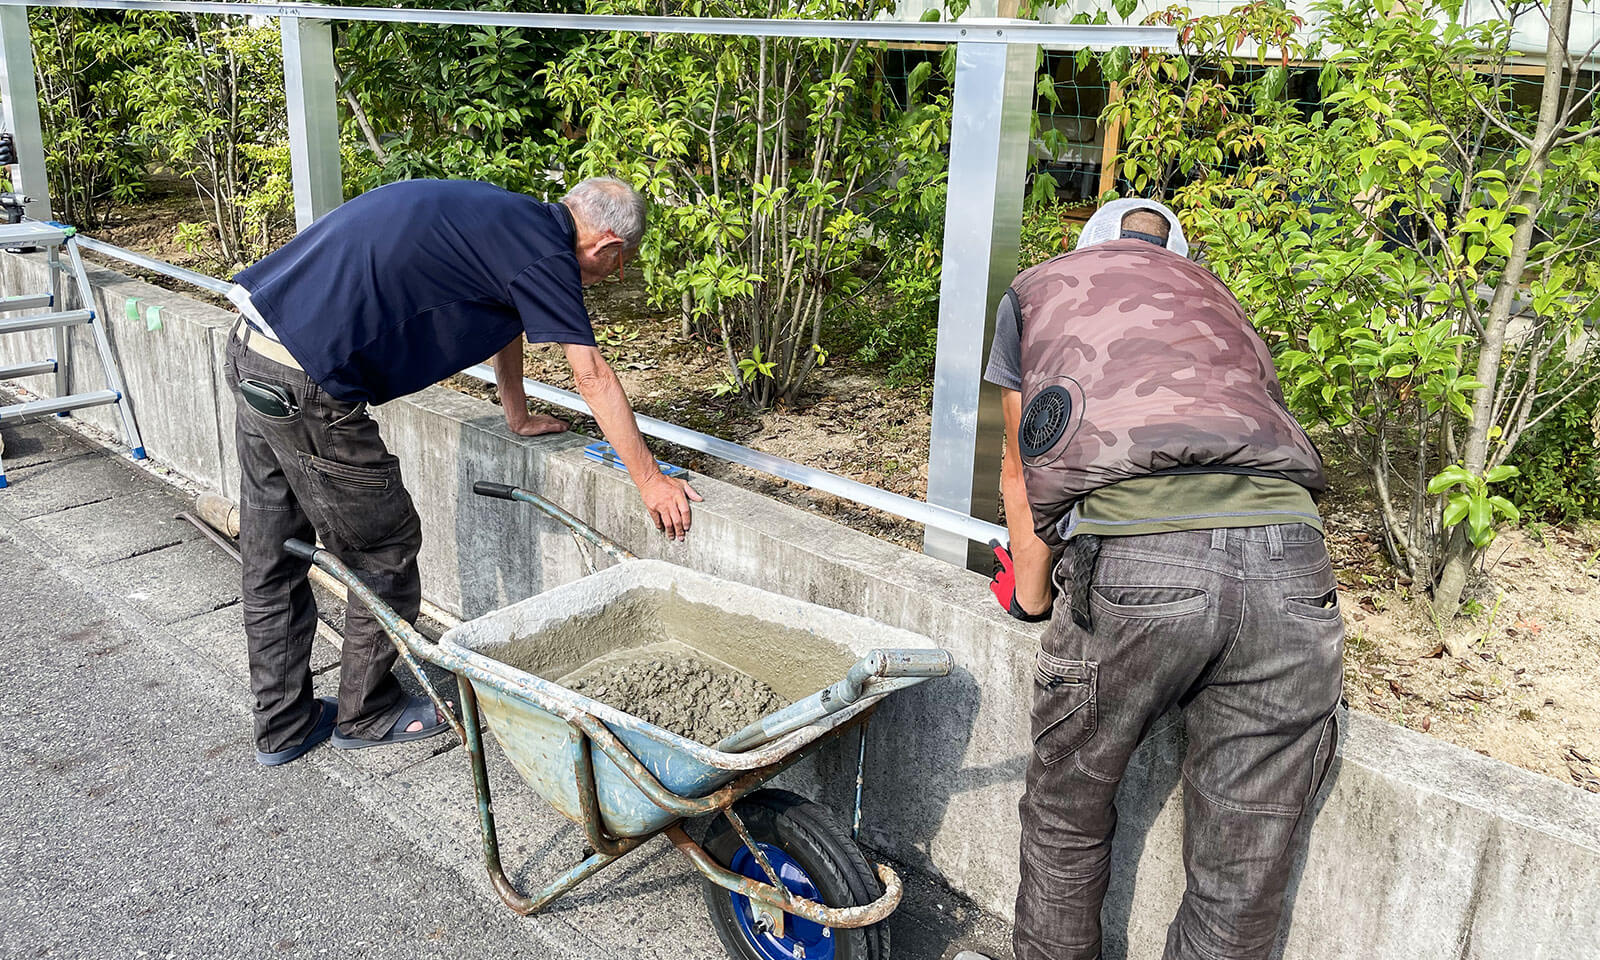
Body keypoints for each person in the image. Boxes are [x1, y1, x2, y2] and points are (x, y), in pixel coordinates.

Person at [225, 176, 700, 767]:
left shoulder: (510, 220)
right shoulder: (549, 255)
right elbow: (593, 376)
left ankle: (282, 724)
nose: (608, 280)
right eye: (614, 269)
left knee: (275, 552)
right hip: (310, 385)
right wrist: (650, 479)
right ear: (607, 247)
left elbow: (510, 315)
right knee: (384, 547)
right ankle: (366, 713)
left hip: (252, 344)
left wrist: (516, 412)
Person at [985, 198, 1343, 960]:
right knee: (1242, 872)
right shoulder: (1219, 301)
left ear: (1088, 248)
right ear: (1181, 257)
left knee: (1066, 814)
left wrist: (1031, 595)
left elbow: (1023, 464)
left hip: (1141, 557)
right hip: (1293, 563)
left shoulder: (1040, 288)